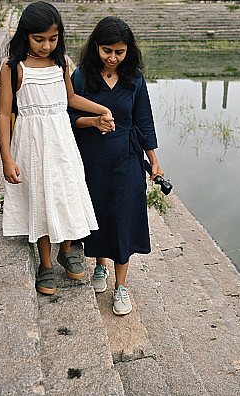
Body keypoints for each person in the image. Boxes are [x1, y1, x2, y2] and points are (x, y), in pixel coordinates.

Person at [0, 1, 115, 295]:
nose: (46, 45)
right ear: (25, 35)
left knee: (65, 192)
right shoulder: (14, 69)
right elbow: (2, 114)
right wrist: (6, 158)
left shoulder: (61, 65)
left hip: (62, 142)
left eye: (53, 38)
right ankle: (46, 263)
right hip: (32, 144)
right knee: (41, 197)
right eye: (39, 39)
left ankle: (67, 249)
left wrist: (101, 109)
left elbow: (71, 99)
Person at [68, 16, 164, 316]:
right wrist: (94, 121)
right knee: (99, 214)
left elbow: (144, 121)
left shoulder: (134, 79)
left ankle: (121, 286)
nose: (112, 58)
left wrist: (155, 162)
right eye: (106, 50)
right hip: (92, 159)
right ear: (95, 47)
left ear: (128, 51)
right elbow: (68, 118)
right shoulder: (82, 76)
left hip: (127, 159)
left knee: (123, 218)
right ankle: (100, 266)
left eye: (119, 52)